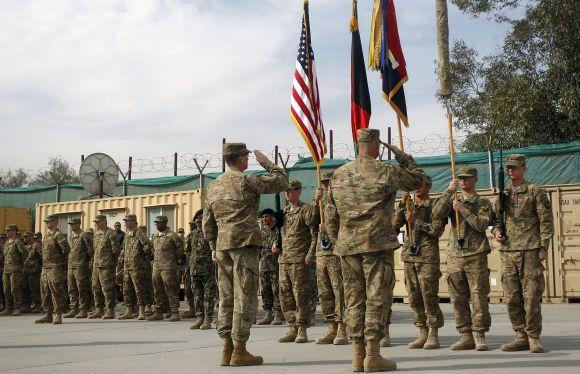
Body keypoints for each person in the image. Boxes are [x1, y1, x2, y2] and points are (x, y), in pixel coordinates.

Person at [323, 128, 425, 372]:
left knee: (354, 300)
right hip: (376, 244)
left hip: (348, 247)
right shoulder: (386, 170)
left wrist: (340, 241)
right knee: (377, 298)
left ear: (358, 144)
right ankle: (373, 355)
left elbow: (329, 215)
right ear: (376, 145)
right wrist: (403, 156)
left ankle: (357, 356)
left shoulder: (338, 175)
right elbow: (418, 180)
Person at [203, 143, 288, 366]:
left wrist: (213, 245)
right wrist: (267, 163)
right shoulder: (246, 180)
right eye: (246, 157)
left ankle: (226, 349)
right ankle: (239, 350)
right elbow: (282, 181)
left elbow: (207, 223)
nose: (248, 160)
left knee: (226, 297)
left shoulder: (213, 186)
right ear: (241, 158)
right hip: (244, 245)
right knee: (245, 296)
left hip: (222, 247)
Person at [493, 154, 554, 353]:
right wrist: (497, 232)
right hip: (509, 252)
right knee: (512, 297)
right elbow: (494, 221)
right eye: (509, 167)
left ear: (523, 168)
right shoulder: (503, 194)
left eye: (515, 167)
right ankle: (520, 335)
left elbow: (546, 220)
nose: (511, 170)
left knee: (532, 296)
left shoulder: (535, 191)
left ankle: (534, 337)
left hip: (530, 250)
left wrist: (544, 246)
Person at [433, 165, 492, 351]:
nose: (463, 181)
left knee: (478, 296)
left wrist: (463, 210)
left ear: (475, 179)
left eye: (467, 178)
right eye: (460, 178)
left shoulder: (482, 202)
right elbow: (436, 214)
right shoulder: (453, 199)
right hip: (455, 255)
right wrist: (448, 191)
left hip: (475, 254)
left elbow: (482, 225)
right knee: (457, 298)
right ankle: (465, 334)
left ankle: (480, 334)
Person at [393, 175, 447, 349]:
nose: (416, 187)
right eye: (413, 184)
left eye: (420, 184)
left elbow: (435, 231)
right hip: (410, 255)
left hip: (427, 256)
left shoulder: (435, 205)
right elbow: (393, 226)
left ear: (428, 185)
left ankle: (433, 332)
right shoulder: (409, 205)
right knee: (414, 296)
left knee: (429, 295)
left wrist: (416, 222)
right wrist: (402, 206)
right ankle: (422, 331)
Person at [277, 180, 321, 344]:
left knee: (301, 295)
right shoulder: (284, 212)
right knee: (286, 295)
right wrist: (277, 245)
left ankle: (302, 329)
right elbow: (281, 234)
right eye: (285, 191)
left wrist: (310, 254)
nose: (286, 194)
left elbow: (314, 231)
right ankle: (292, 327)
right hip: (284, 260)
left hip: (299, 259)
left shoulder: (306, 210)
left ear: (298, 191)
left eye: (290, 191)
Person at [313, 172, 348, 345]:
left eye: (328, 184)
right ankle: (331, 327)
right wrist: (315, 201)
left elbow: (349, 223)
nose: (326, 187)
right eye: (324, 185)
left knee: (338, 290)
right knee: (324, 291)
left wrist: (332, 228)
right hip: (321, 253)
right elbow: (309, 221)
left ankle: (342, 327)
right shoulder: (320, 202)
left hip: (335, 250)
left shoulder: (341, 201)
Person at [147, 215, 184, 322]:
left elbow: (180, 248)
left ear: (165, 223)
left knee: (170, 289)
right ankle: (158, 312)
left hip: (168, 267)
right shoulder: (155, 236)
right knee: (157, 290)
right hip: (156, 266)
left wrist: (174, 259)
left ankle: (174, 312)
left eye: (159, 223)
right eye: (156, 223)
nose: (157, 225)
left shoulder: (172, 235)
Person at [35, 215, 70, 325]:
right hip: (45, 267)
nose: (46, 223)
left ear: (55, 222)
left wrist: (60, 262)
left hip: (55, 267)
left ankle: (58, 314)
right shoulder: (46, 236)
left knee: (56, 291)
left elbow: (66, 249)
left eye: (48, 222)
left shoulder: (58, 235)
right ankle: (48, 314)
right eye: (46, 221)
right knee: (45, 291)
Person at [117, 214, 153, 320]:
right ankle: (129, 310)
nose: (126, 223)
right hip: (127, 268)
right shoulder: (127, 234)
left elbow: (147, 247)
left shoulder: (139, 233)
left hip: (138, 267)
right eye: (125, 221)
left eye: (127, 221)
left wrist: (144, 260)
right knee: (127, 290)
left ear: (133, 222)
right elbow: (124, 248)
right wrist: (121, 259)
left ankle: (141, 311)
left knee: (139, 289)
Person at [187, 209, 217, 330]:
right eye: (197, 218)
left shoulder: (211, 233)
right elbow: (188, 251)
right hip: (194, 270)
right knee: (197, 294)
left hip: (208, 269)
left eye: (201, 218)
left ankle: (208, 319)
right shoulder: (191, 235)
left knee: (209, 295)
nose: (199, 220)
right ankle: (199, 318)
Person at [89, 215, 120, 320]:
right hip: (96, 265)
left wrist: (112, 263)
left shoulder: (111, 233)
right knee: (95, 287)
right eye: (95, 222)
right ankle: (99, 309)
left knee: (107, 288)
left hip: (107, 265)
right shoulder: (97, 234)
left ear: (104, 222)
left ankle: (110, 310)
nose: (96, 224)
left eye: (98, 222)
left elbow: (116, 251)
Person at [256, 209, 282, 325]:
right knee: (265, 290)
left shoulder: (278, 230)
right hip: (263, 265)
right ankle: (268, 313)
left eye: (266, 216)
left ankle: (278, 314)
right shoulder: (261, 232)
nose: (264, 219)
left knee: (276, 290)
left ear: (272, 217)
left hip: (275, 265)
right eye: (263, 217)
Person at [64, 218, 94, 319]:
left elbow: (90, 250)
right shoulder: (72, 236)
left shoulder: (83, 235)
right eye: (70, 224)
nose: (71, 226)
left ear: (78, 224)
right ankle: (73, 308)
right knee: (71, 288)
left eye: (73, 224)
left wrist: (85, 261)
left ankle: (83, 309)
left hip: (80, 266)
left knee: (82, 288)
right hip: (71, 265)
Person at [1, 224, 26, 316]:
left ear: (15, 231)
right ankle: (9, 307)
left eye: (9, 230)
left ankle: (17, 308)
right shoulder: (7, 243)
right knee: (6, 289)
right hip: (6, 269)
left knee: (15, 289)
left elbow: (24, 254)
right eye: (7, 230)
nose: (7, 232)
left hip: (15, 269)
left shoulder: (18, 242)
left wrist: (21, 266)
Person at [22, 231, 42, 313]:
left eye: (27, 236)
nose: (25, 238)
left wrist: (39, 267)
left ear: (31, 236)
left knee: (35, 289)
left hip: (34, 271)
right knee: (26, 289)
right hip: (26, 271)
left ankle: (38, 305)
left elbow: (42, 257)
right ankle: (27, 306)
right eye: (24, 236)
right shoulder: (26, 247)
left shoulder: (36, 246)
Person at [179, 226, 195, 319]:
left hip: (199, 266)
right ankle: (192, 309)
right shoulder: (188, 238)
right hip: (187, 266)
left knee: (198, 289)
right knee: (188, 288)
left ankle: (200, 310)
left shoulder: (204, 236)